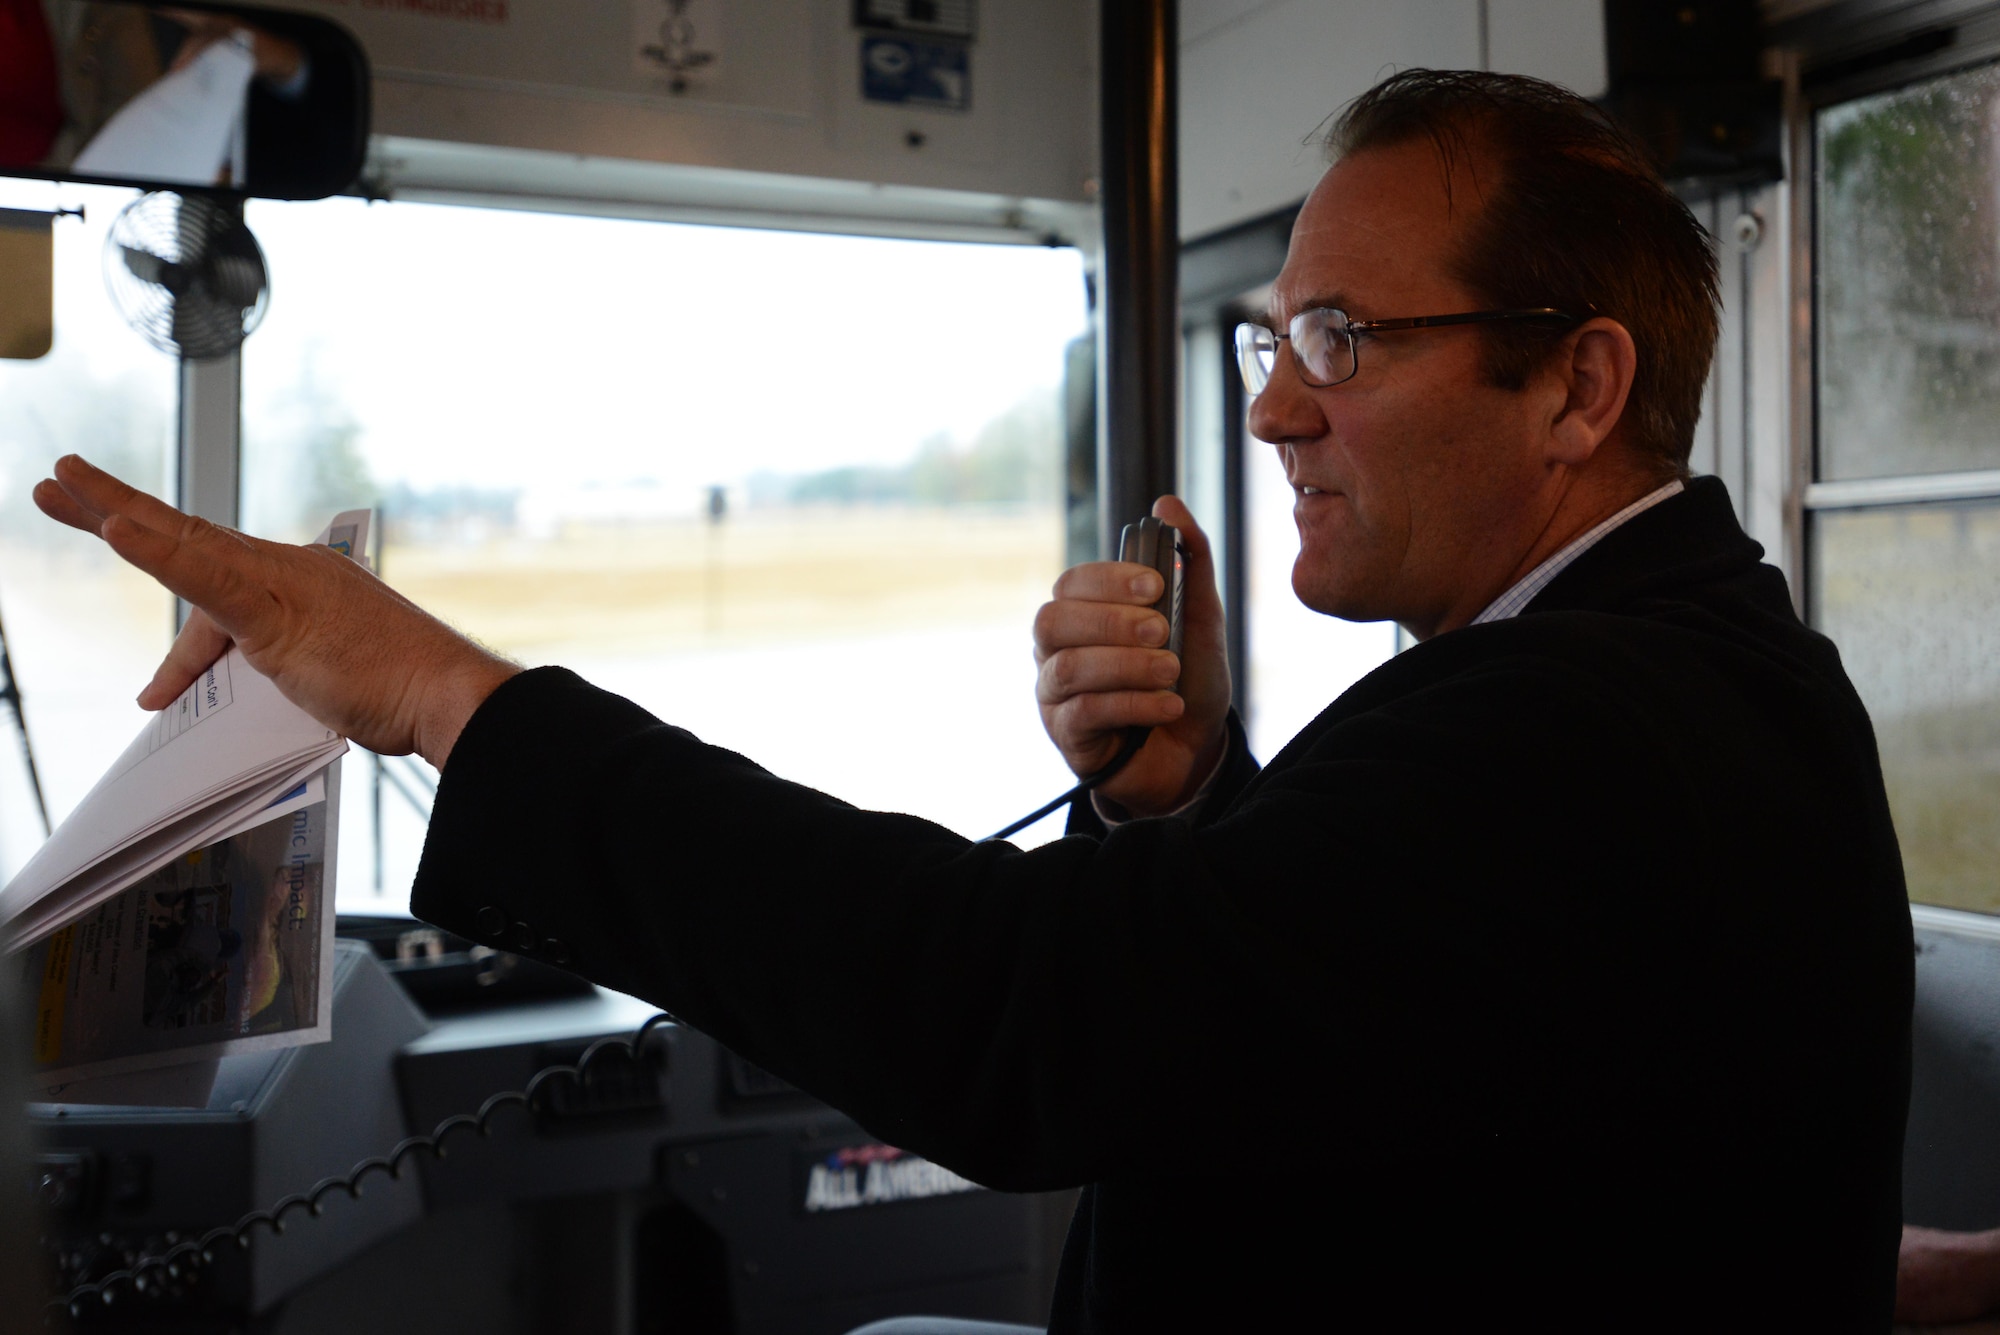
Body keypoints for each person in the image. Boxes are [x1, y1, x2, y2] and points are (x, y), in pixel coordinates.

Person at [32, 69, 1913, 1332]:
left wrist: (445, 696)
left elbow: (1023, 1018)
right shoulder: (1699, 680)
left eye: (1343, 340)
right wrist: (1186, 810)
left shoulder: (1581, 721)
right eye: (1273, 339)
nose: (1270, 405)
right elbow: (1358, 1034)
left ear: (1580, 390)